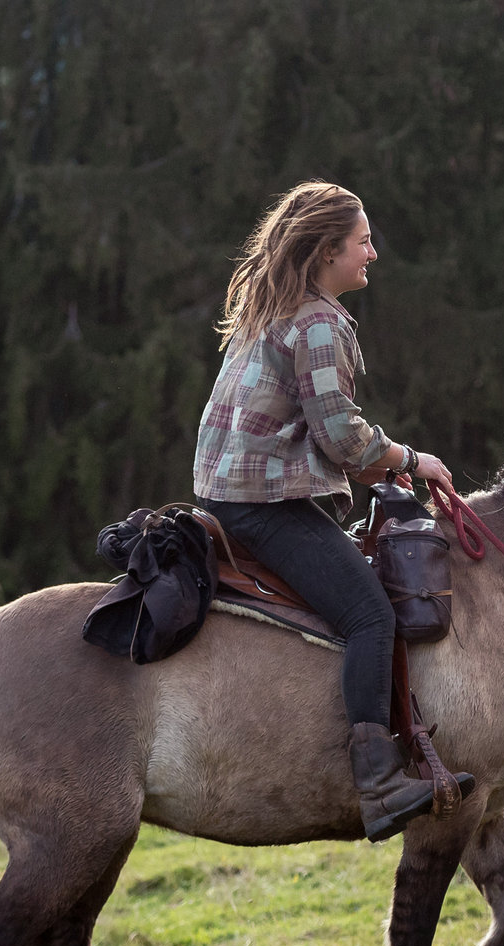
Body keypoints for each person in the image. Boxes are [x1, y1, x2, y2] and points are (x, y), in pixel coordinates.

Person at [193, 181, 472, 842]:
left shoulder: (268, 310)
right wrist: (411, 460)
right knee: (371, 614)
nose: (372, 253)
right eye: (362, 242)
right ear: (326, 252)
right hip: (264, 508)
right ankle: (377, 784)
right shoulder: (319, 322)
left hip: (226, 499)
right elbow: (342, 438)